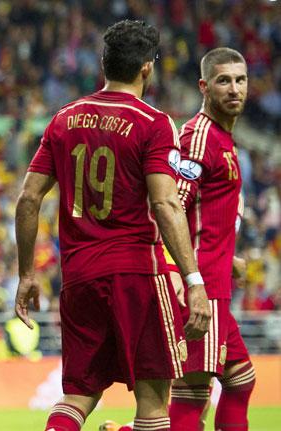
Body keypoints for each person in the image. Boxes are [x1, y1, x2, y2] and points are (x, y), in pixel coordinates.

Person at [14, 20, 211, 431]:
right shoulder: (153, 123)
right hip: (135, 274)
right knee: (154, 404)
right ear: (147, 69)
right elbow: (165, 203)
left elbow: (29, 198)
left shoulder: (63, 119)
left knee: (77, 396)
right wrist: (193, 279)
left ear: (103, 65)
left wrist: (27, 273)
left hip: (79, 276)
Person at [101, 47, 255, 431]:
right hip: (200, 289)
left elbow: (206, 216)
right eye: (223, 80)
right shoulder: (198, 137)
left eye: (240, 80)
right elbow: (170, 207)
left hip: (214, 282)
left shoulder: (222, 138)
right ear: (204, 86)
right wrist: (179, 274)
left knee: (234, 381)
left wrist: (227, 258)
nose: (234, 89)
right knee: (196, 394)